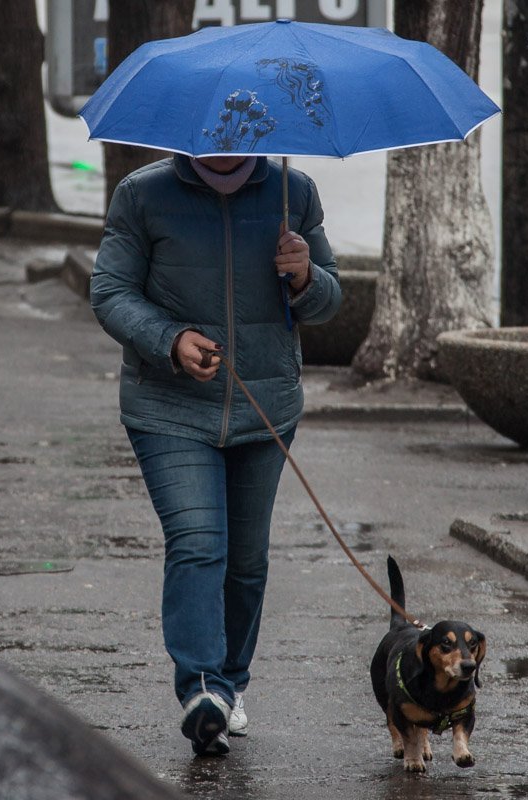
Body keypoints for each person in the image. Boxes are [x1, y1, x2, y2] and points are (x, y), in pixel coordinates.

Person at [90, 153, 342, 756]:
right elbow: (110, 291)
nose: (225, 140)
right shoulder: (142, 193)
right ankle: (202, 689)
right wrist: (171, 340)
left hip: (265, 411)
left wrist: (306, 276)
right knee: (200, 541)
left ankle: (229, 683)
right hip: (168, 409)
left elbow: (331, 302)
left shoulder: (292, 191)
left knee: (246, 561)